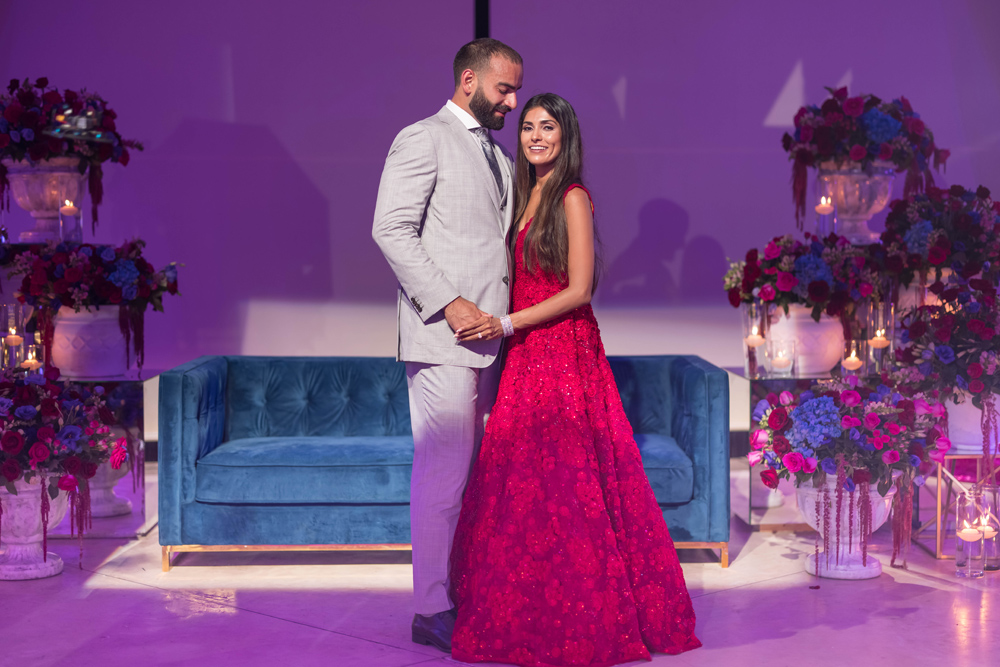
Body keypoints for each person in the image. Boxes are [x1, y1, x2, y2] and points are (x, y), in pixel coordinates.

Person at [448, 93, 702, 666]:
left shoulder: (572, 195)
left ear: (566, 136)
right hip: (523, 353)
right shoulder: (524, 192)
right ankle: (527, 613)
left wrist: (504, 321)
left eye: (548, 127)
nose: (536, 135)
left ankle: (581, 615)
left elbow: (580, 289)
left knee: (570, 488)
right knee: (523, 490)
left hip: (561, 352)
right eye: (529, 126)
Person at [372, 38, 523, 653]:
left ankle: (460, 589)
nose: (512, 102)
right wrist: (450, 304)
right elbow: (390, 228)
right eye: (503, 89)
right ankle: (431, 609)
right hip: (443, 336)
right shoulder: (422, 137)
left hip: (491, 339)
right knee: (443, 473)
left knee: (471, 474)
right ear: (468, 80)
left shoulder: (498, 155)